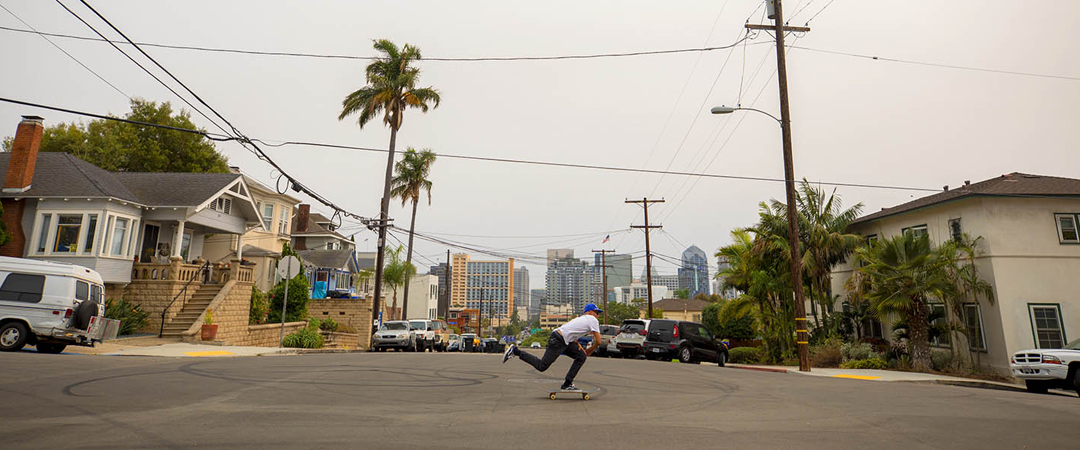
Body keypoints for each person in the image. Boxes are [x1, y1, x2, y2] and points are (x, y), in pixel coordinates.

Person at [503, 303, 603, 391]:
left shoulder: (580, 319)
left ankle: (567, 384)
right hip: (559, 341)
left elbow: (572, 331)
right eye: (596, 312)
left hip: (562, 339)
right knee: (542, 366)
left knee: (581, 356)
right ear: (589, 312)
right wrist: (590, 349)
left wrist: (577, 344)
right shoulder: (592, 319)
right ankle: (516, 351)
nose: (598, 315)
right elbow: (598, 341)